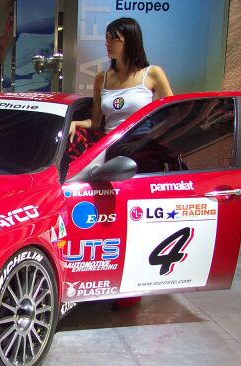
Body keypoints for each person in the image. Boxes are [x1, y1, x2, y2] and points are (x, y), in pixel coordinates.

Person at [69, 17, 173, 310]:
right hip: (110, 150)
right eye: (106, 38)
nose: (107, 43)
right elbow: (98, 121)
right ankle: (107, 278)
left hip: (143, 151)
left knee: (139, 218)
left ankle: (133, 286)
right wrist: (79, 123)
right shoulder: (102, 78)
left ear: (129, 40)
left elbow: (171, 113)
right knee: (109, 216)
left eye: (113, 38)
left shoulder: (152, 75)